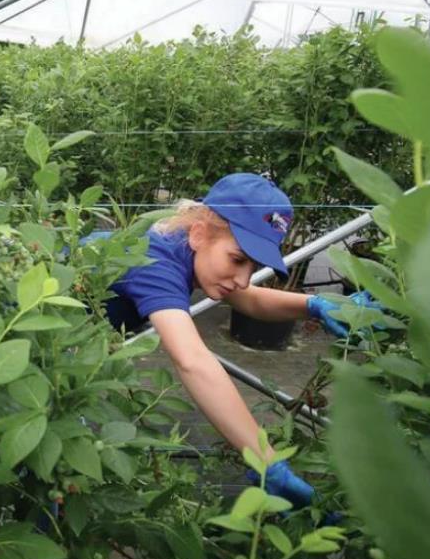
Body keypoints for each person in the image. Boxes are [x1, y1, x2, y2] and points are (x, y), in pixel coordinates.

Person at [90, 172, 373, 508]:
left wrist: (316, 305)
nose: (242, 279)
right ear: (198, 233)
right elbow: (193, 361)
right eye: (238, 259)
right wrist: (265, 458)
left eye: (252, 265)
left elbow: (247, 298)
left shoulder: (182, 246)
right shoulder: (153, 264)